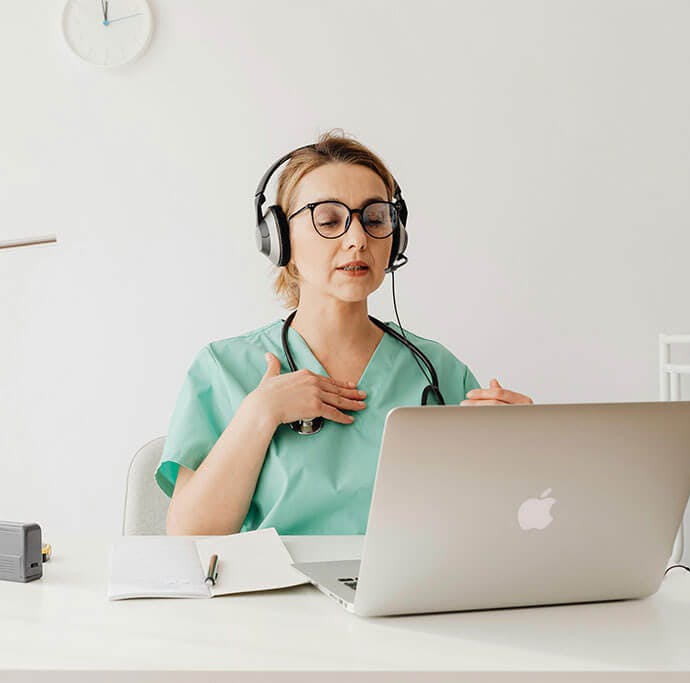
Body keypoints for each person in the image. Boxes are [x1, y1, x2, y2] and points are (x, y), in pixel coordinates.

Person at [156, 129, 533, 536]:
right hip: (270, 597)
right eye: (329, 220)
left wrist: (515, 452)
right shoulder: (224, 368)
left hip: (404, 596)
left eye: (374, 219)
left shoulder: (438, 370)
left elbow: (487, 529)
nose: (357, 240)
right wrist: (260, 413)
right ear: (280, 239)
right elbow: (189, 538)